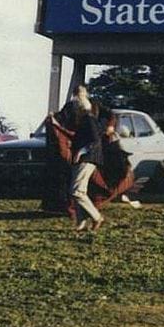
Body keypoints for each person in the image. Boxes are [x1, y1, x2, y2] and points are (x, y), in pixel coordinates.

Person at [70, 93, 105, 232]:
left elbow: (95, 140)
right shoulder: (88, 120)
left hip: (88, 158)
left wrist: (80, 152)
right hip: (84, 159)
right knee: (79, 191)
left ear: (79, 108)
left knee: (76, 191)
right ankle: (81, 223)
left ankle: (97, 217)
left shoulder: (88, 120)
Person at [40, 99, 76, 215]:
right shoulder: (72, 120)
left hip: (57, 157)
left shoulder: (58, 121)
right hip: (65, 156)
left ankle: (56, 206)